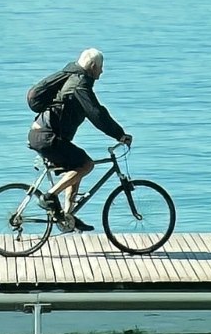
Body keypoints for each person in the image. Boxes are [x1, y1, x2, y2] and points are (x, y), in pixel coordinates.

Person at [25, 48, 131, 225]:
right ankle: (49, 196)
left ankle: (68, 215)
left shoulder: (71, 78)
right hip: (47, 137)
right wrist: (119, 135)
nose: (102, 71)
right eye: (100, 67)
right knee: (86, 164)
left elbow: (97, 111)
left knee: (76, 166)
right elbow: (96, 113)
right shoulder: (79, 84)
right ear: (92, 66)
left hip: (41, 134)